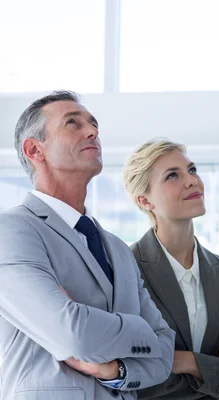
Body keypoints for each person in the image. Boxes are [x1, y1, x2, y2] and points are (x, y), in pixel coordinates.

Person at [0, 91, 175, 399]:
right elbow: (72, 334)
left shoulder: (118, 249)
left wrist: (115, 371)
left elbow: (164, 352)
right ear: (34, 149)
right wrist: (140, 331)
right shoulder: (12, 230)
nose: (92, 131)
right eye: (72, 123)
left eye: (93, 124)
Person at [122, 139, 219, 399]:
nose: (192, 181)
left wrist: (188, 362)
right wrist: (213, 367)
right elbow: (132, 370)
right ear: (145, 200)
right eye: (172, 175)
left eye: (192, 170)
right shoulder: (125, 268)